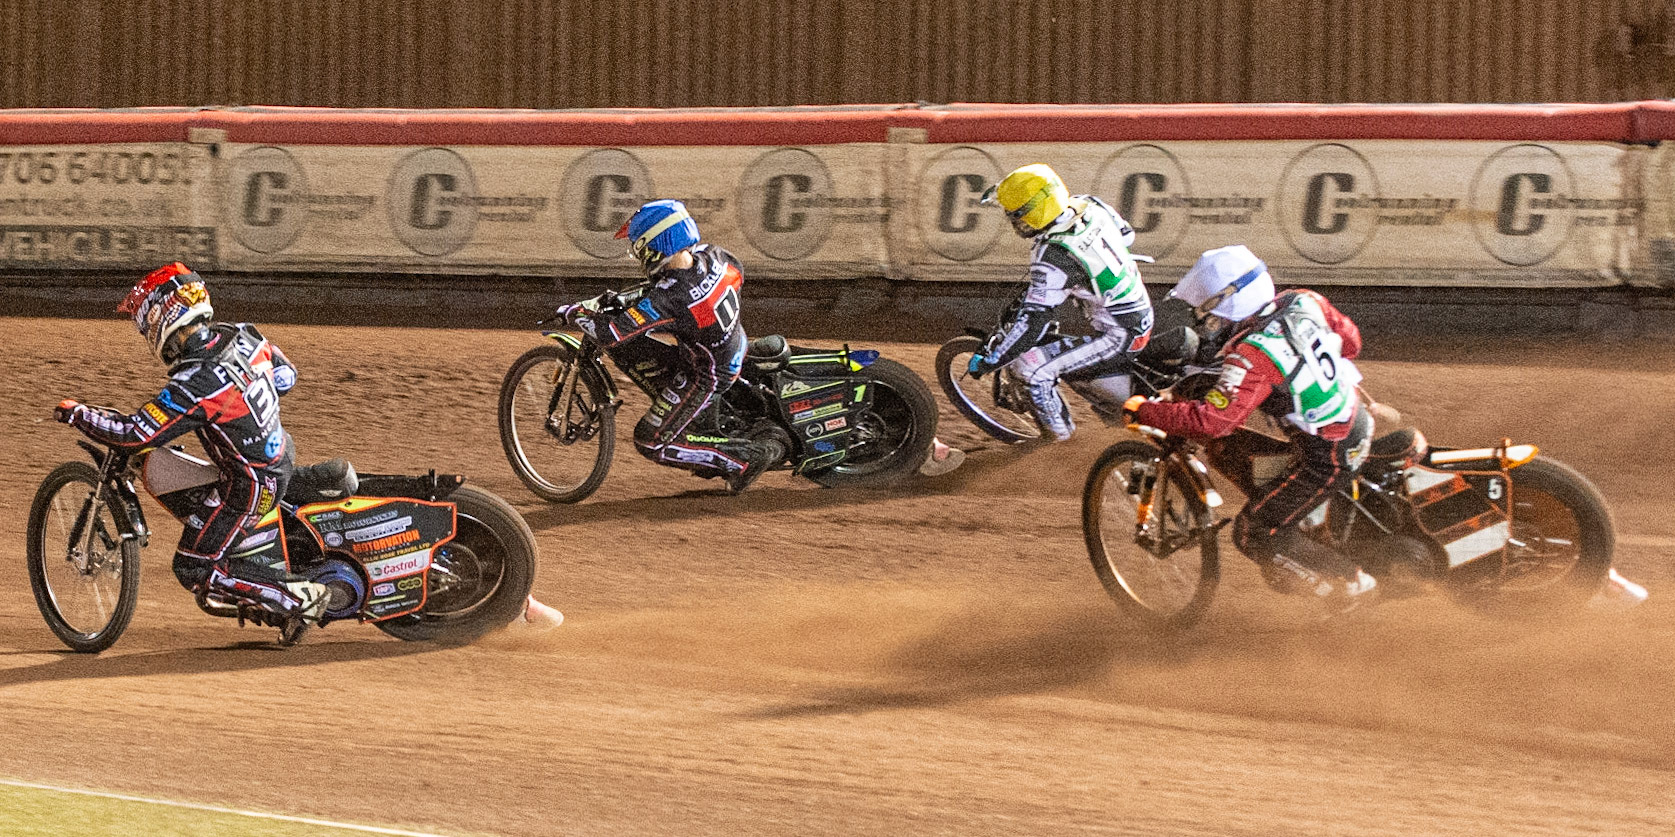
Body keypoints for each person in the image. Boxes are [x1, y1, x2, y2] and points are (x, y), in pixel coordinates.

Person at [54, 262, 330, 622]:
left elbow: (136, 434)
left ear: (165, 316)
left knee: (193, 567)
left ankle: (296, 600)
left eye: (147, 323)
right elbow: (286, 376)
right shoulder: (243, 335)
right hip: (278, 452)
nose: (147, 332)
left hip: (248, 485)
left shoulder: (195, 382)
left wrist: (77, 414)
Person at [1123, 245, 1380, 613]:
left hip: (1329, 454)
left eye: (1209, 311)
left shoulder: (1252, 354)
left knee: (1255, 533)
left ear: (1229, 301)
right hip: (1353, 415)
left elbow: (1212, 422)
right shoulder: (1303, 299)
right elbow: (1351, 342)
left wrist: (1145, 411)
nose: (1206, 320)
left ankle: (1350, 585)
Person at [553, 199, 790, 493]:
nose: (637, 255)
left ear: (657, 244)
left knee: (649, 441)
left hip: (706, 374)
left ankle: (742, 460)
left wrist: (575, 313)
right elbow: (720, 277)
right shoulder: (715, 256)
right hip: (734, 343)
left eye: (639, 247)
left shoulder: (671, 299)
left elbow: (612, 332)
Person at [967, 163, 1155, 441]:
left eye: (1016, 215)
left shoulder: (1052, 256)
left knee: (1029, 369)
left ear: (1035, 211)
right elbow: (1127, 235)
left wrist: (992, 361)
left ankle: (1059, 443)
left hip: (1120, 335)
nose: (1013, 222)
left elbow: (1034, 323)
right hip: (1139, 310)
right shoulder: (1089, 204)